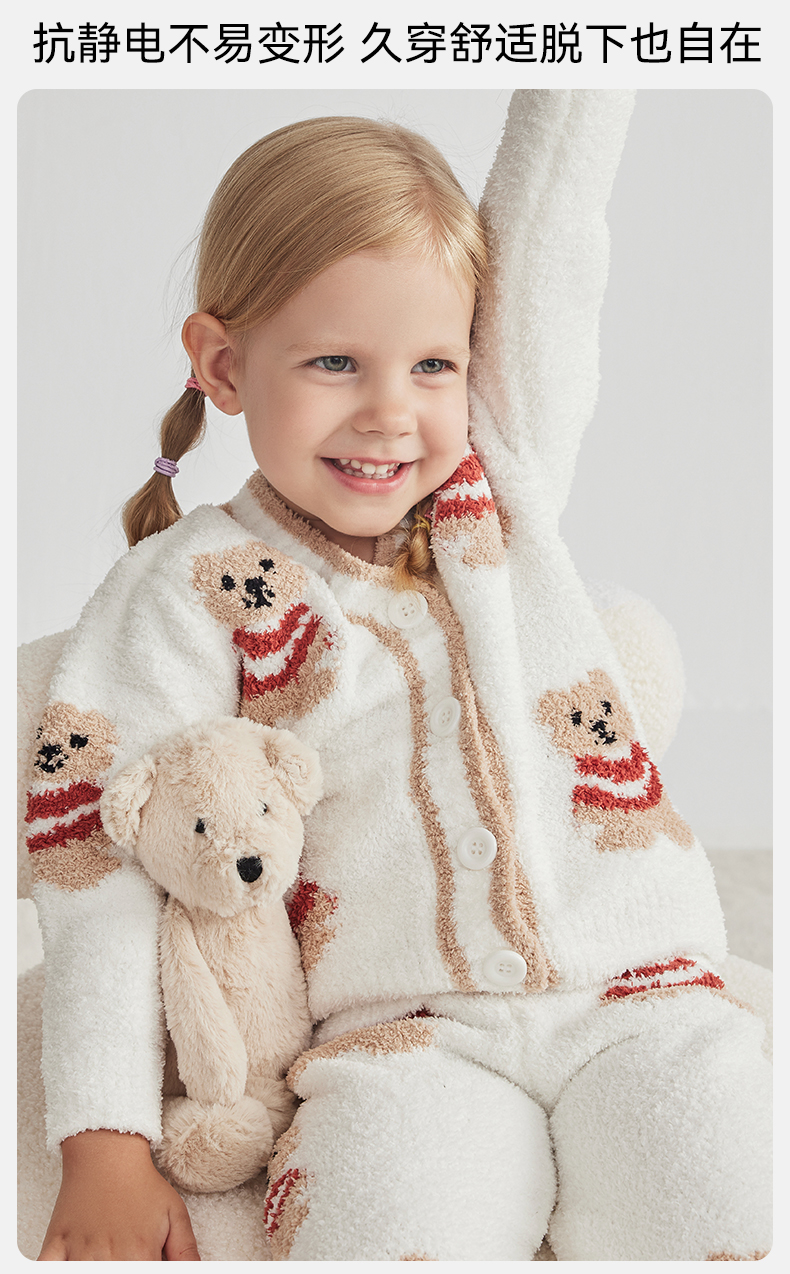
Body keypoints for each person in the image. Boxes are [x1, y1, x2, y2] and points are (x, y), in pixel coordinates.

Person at [30, 92, 770, 1261]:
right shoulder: (187, 588)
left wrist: (589, 55)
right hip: (397, 1037)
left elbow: (556, 221)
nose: (390, 412)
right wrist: (102, 1133)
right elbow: (99, 853)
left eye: (433, 363)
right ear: (223, 361)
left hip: (645, 992)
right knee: (379, 1231)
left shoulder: (498, 482)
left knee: (732, 1208)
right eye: (334, 361)